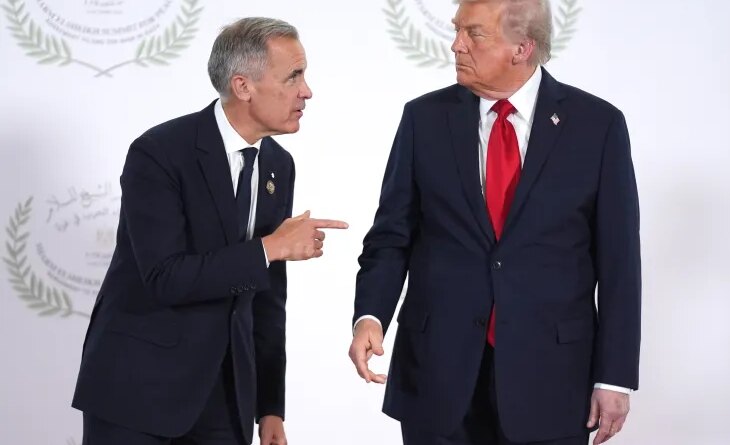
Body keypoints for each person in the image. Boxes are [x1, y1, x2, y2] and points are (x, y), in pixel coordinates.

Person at [348, 0, 641, 444]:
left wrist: (614, 377)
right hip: (438, 375)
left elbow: (619, 262)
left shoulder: (597, 126)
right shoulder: (424, 119)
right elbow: (391, 237)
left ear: (522, 47)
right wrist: (370, 316)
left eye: (474, 33)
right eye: (457, 29)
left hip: (552, 381)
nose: (456, 45)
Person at [73, 17, 347, 445]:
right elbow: (165, 277)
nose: (306, 91)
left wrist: (270, 407)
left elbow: (268, 298)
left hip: (226, 400)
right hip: (137, 391)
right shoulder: (159, 153)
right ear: (243, 86)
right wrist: (269, 248)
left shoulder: (279, 164)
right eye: (293, 76)